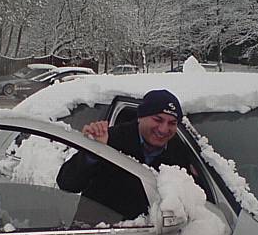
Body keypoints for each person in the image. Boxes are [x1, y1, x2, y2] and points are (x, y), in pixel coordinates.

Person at [56, 89, 194, 224]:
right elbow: (67, 183)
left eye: (172, 123)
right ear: (140, 117)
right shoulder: (110, 139)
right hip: (96, 234)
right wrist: (93, 152)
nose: (164, 129)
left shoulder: (179, 152)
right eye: (158, 120)